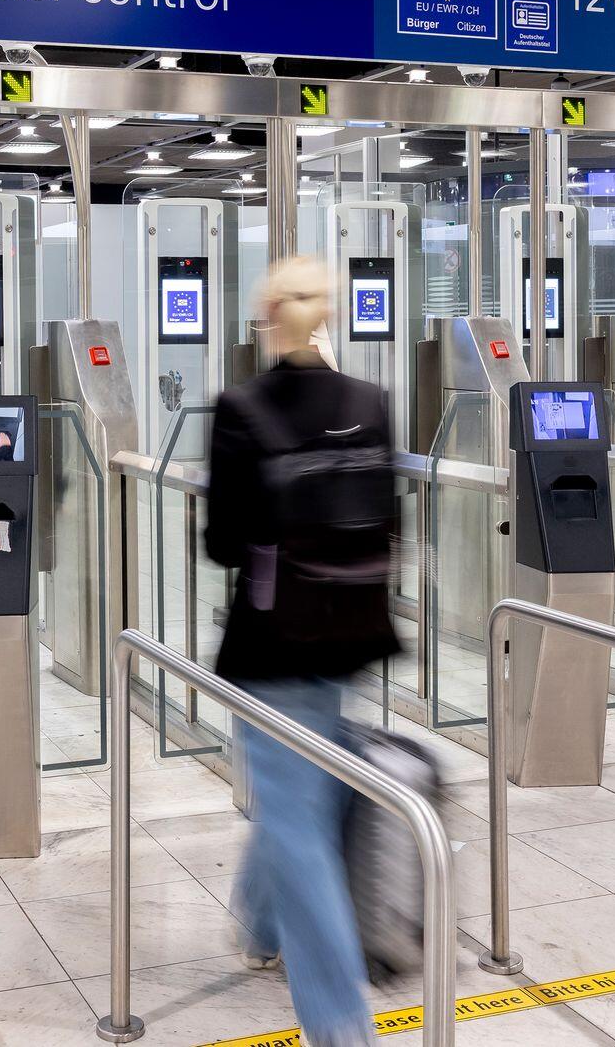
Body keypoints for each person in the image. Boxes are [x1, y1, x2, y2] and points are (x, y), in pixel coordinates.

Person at [205, 256, 400, 1047]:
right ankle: (259, 926)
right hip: (352, 630)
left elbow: (222, 542)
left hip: (273, 641)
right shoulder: (371, 402)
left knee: (294, 818)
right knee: (299, 780)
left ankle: (340, 1026)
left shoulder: (242, 408)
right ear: (328, 315)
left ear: (266, 318)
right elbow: (390, 517)